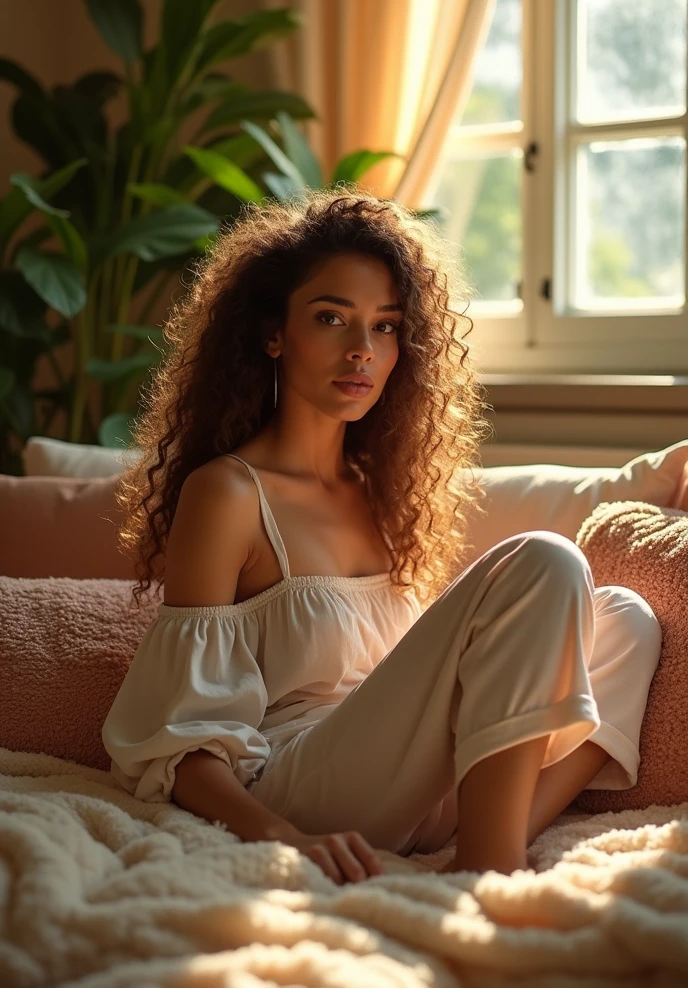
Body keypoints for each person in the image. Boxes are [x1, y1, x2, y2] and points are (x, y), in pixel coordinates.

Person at [103, 188, 662, 886]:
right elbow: (180, 737)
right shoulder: (229, 493)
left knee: (626, 618)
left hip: (416, 785)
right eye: (332, 318)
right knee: (545, 561)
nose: (362, 350)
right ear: (275, 333)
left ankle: (483, 840)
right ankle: (493, 870)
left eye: (387, 326)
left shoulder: (383, 492)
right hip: (302, 786)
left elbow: (424, 682)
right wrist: (284, 838)